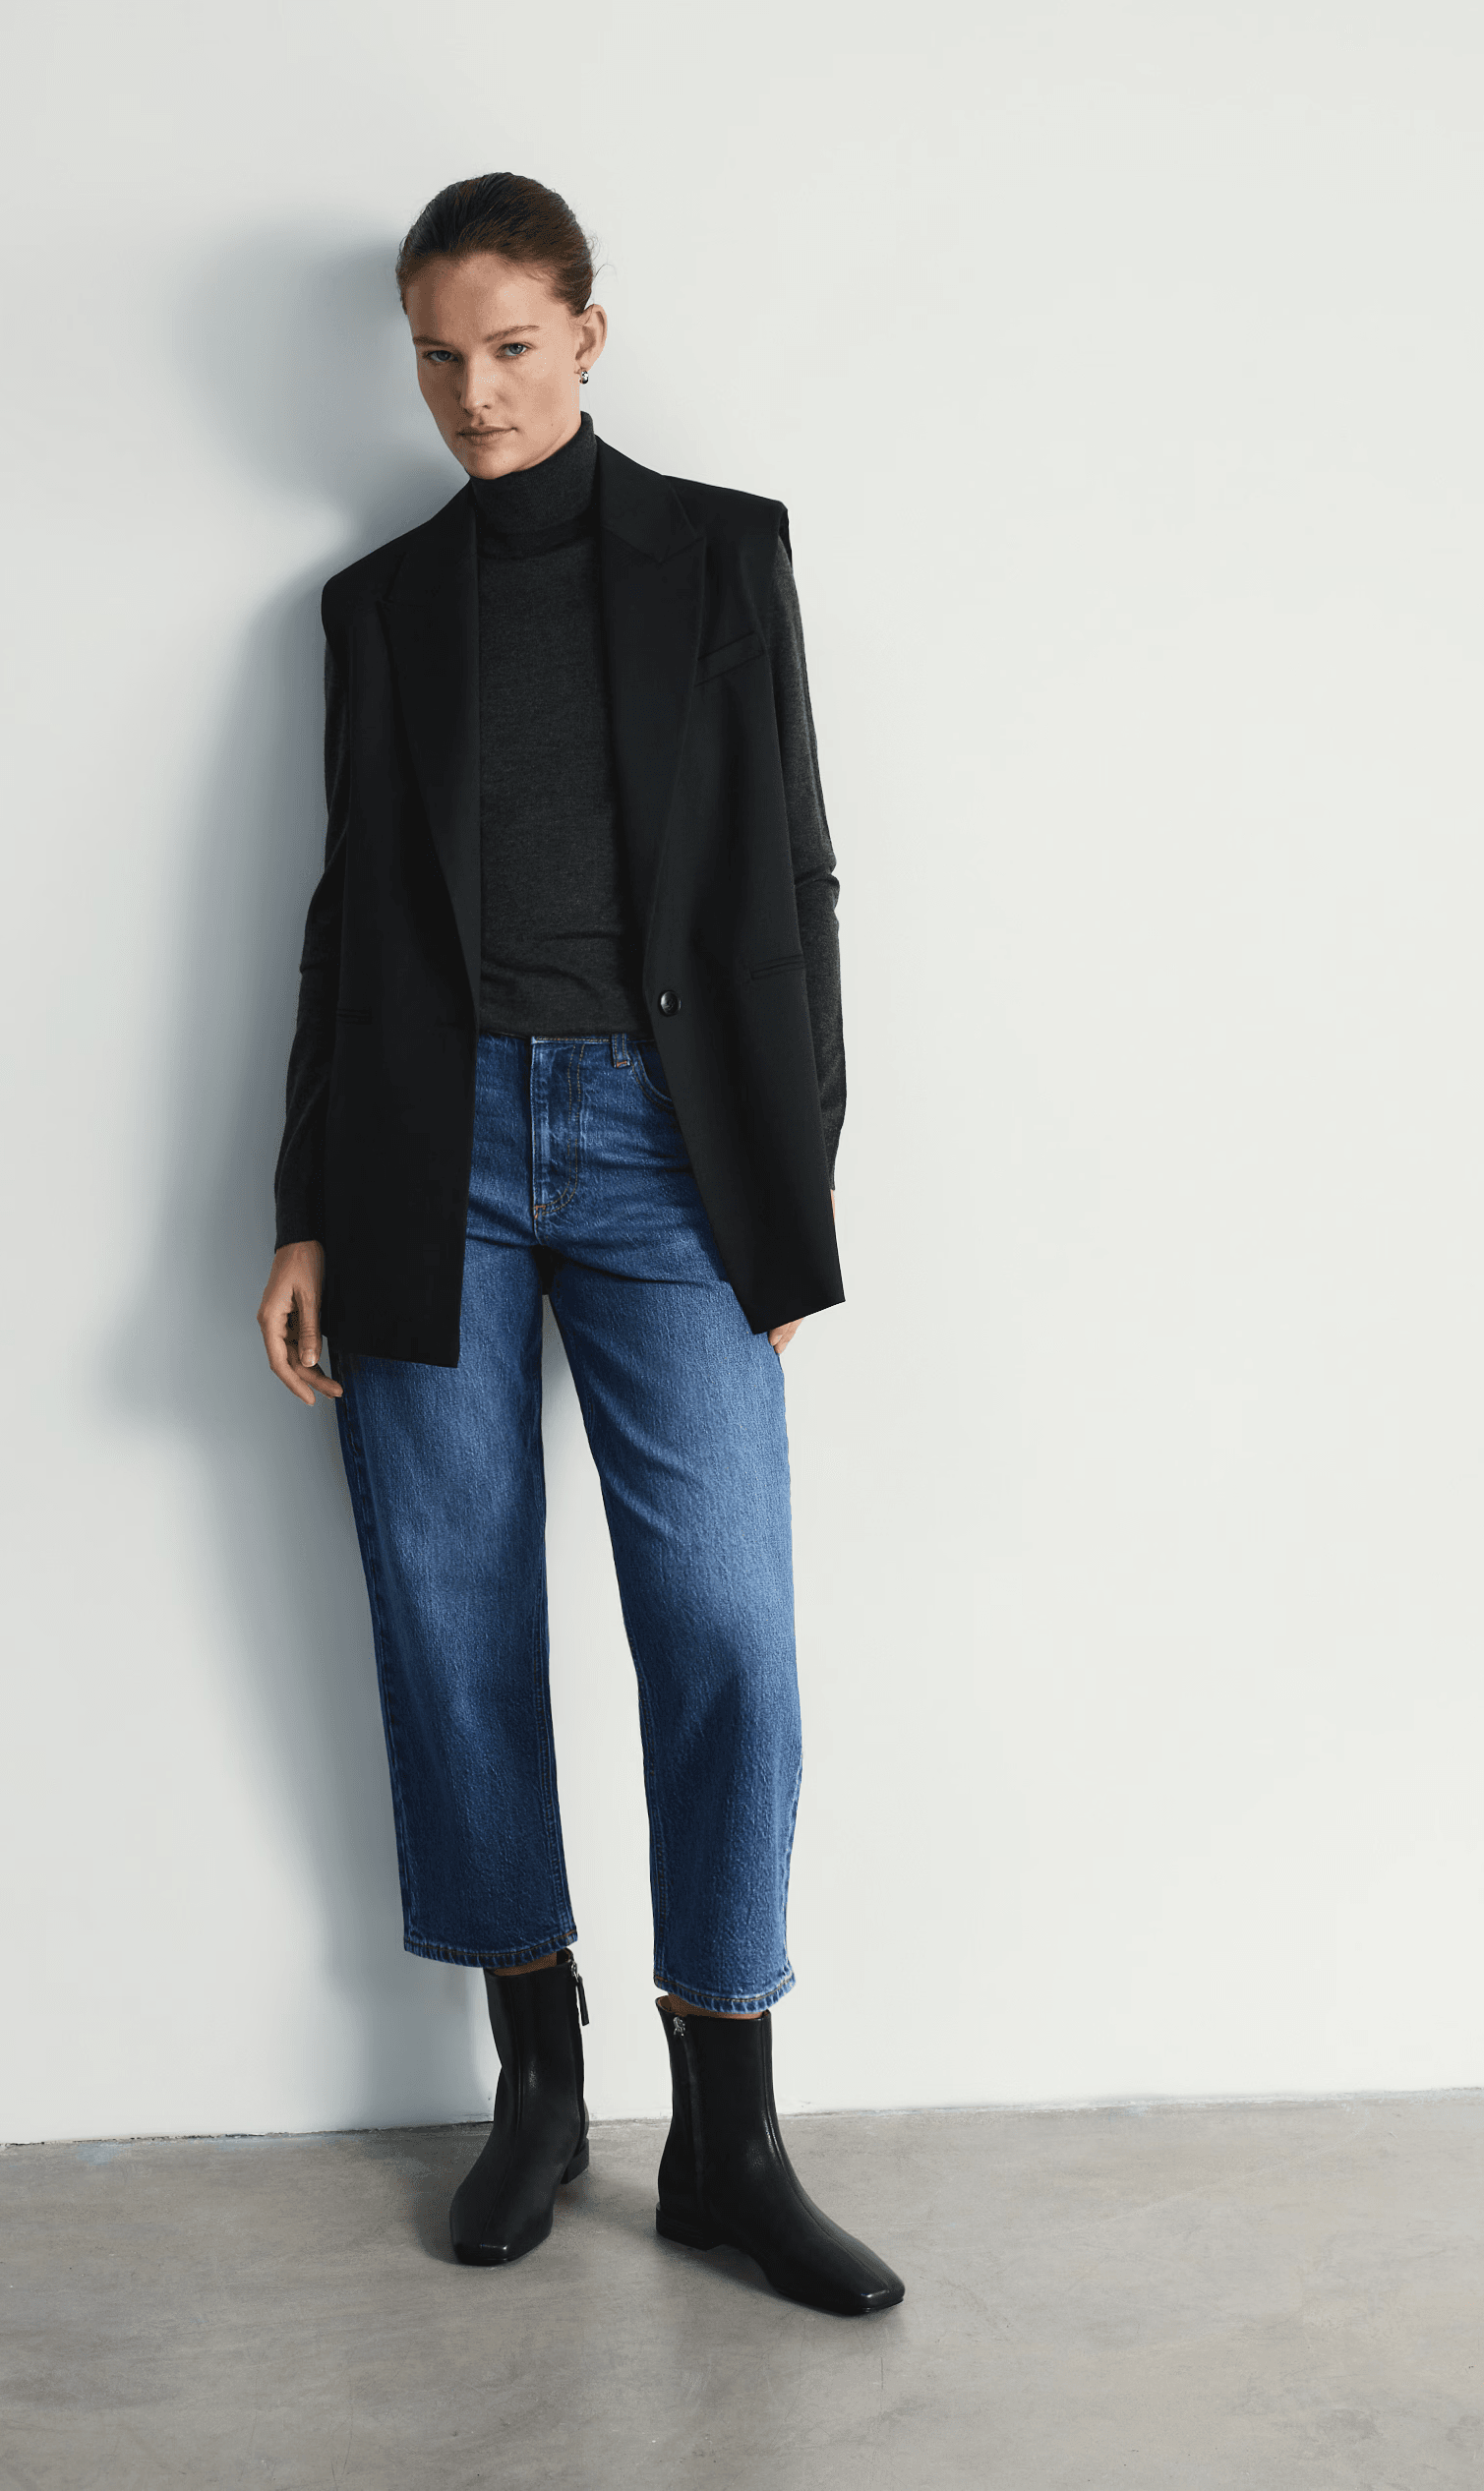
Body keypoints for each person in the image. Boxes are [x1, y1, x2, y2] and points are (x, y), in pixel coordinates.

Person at [256, 172, 902, 2318]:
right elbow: (347, 920)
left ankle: (728, 2135)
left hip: (665, 1153)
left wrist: (788, 1196)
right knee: (450, 1618)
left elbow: (794, 879)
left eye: (512, 348)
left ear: (589, 337)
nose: (474, 393)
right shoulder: (378, 606)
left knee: (724, 1627)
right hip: (425, 1150)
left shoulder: (723, 553)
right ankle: (537, 2082)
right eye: (438, 357)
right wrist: (305, 1205)